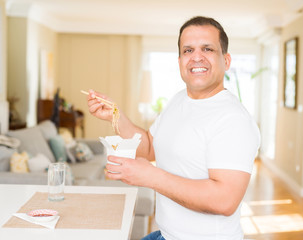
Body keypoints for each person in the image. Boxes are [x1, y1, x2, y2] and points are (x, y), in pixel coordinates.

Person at [87, 16, 260, 240]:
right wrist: (115, 116)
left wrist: (150, 177)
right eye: (188, 50)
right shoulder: (178, 100)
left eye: (207, 49)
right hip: (166, 235)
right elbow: (149, 147)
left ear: (226, 61)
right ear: (179, 61)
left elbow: (224, 200)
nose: (196, 57)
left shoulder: (233, 119)